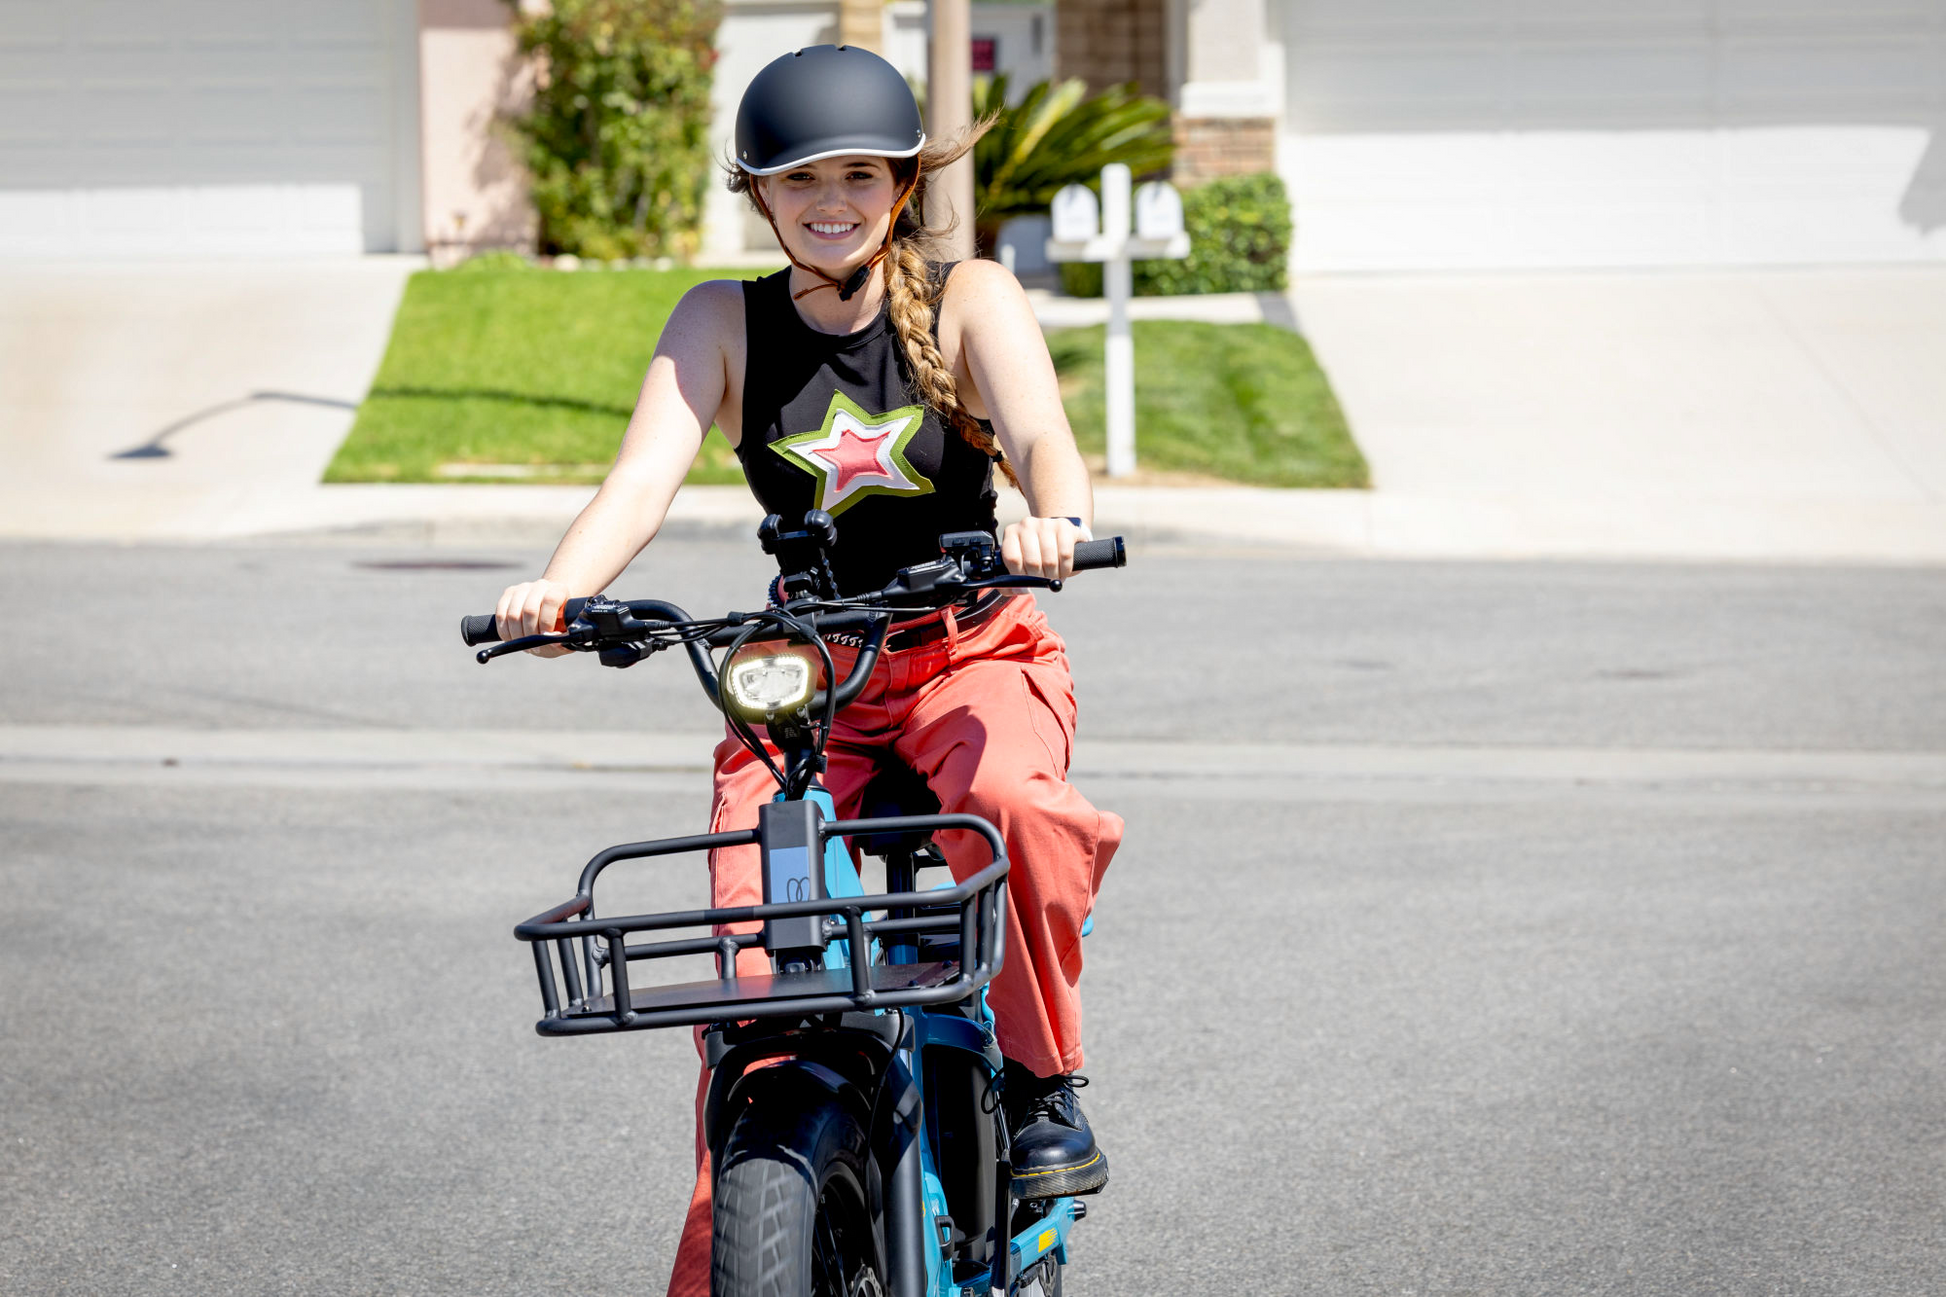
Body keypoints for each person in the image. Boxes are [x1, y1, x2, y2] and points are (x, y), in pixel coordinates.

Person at [491, 44, 1121, 1296]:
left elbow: (1043, 433)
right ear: (759, 193)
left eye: (855, 175)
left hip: (968, 645)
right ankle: (753, 1198)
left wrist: (1049, 516)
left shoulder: (966, 297)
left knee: (1012, 810)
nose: (827, 199)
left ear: (897, 184)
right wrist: (561, 585)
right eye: (797, 179)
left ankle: (1045, 1083)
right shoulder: (719, 319)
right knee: (751, 912)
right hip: (808, 672)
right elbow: (639, 481)